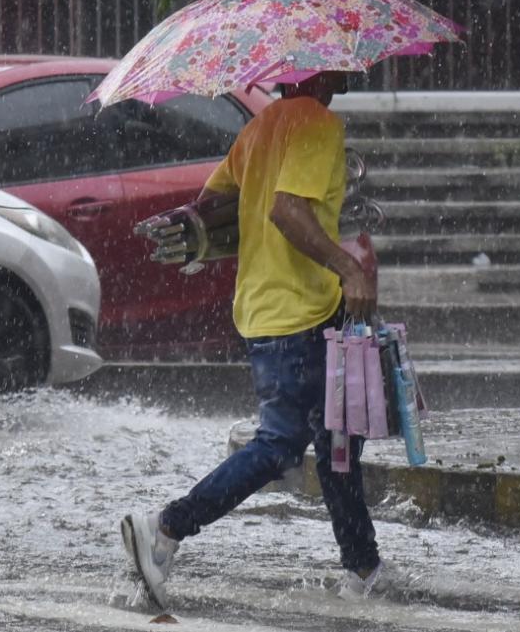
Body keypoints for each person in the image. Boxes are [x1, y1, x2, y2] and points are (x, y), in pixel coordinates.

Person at [120, 70, 387, 608]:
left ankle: (362, 566)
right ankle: (166, 528)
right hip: (299, 314)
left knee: (338, 438)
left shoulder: (261, 126)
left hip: (266, 309)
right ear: (322, 69)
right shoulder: (317, 123)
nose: (356, 70)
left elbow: (211, 202)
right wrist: (347, 266)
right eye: (345, 63)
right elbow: (287, 210)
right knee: (281, 444)